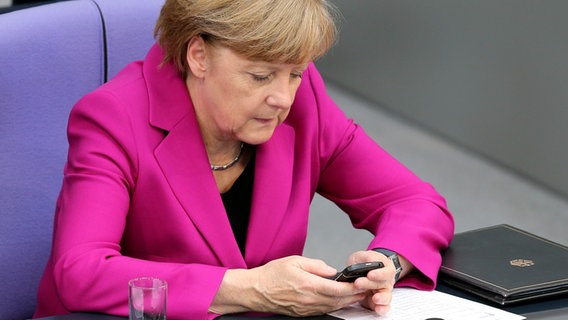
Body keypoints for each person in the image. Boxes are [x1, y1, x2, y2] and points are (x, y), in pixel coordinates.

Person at [34, 0, 454, 319]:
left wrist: (389, 262)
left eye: (296, 73)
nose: (283, 98)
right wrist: (249, 288)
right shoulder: (114, 118)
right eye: (260, 76)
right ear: (198, 55)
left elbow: (415, 202)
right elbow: (81, 271)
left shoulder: (304, 101)